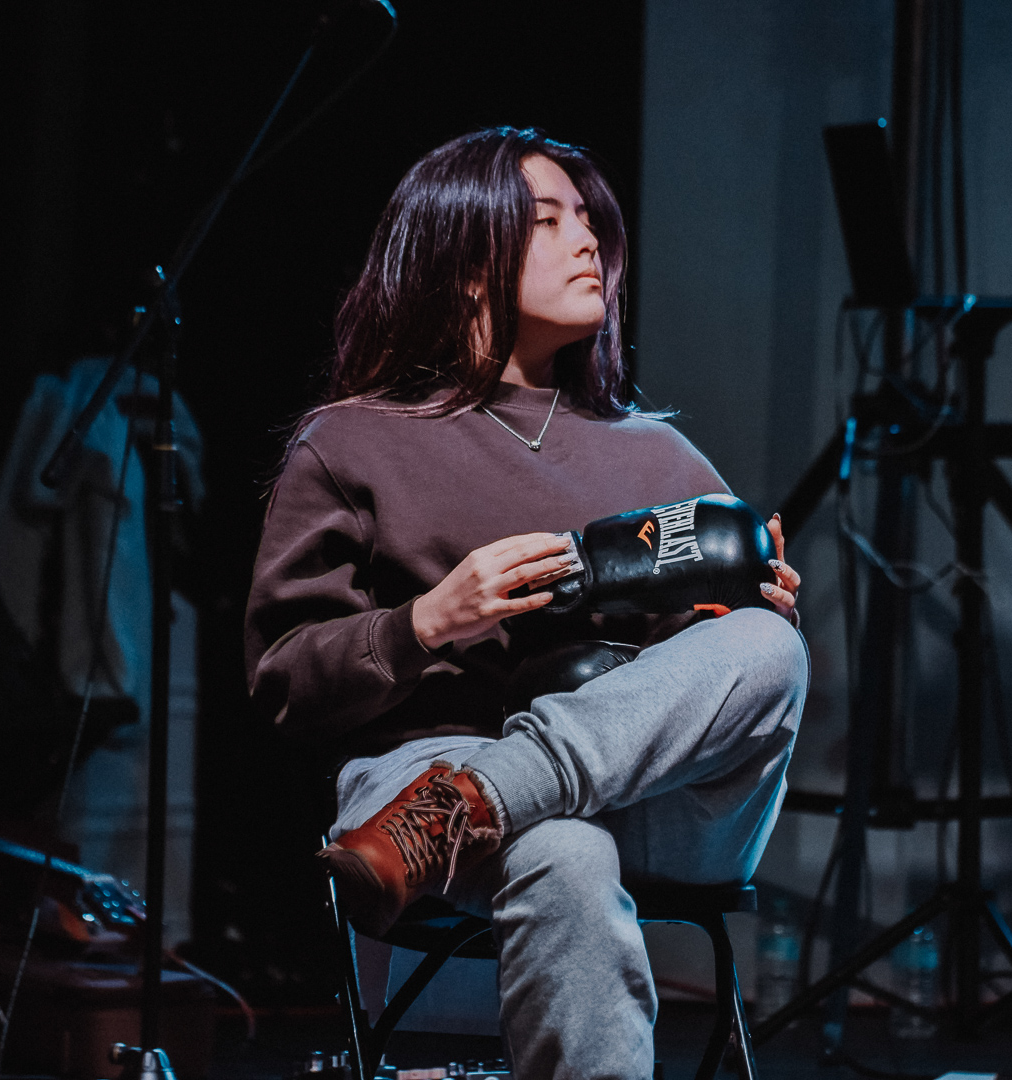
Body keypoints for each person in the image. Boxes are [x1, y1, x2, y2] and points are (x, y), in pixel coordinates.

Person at [244, 126, 808, 1080]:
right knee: (565, 854)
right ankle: (477, 801)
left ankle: (471, 808)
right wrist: (425, 621)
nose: (590, 241)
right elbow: (283, 681)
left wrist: (739, 618)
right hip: (431, 761)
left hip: (640, 803)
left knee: (770, 648)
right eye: (550, 221)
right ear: (467, 260)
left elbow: (718, 675)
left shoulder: (661, 457)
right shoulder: (353, 443)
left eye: (590, 220)